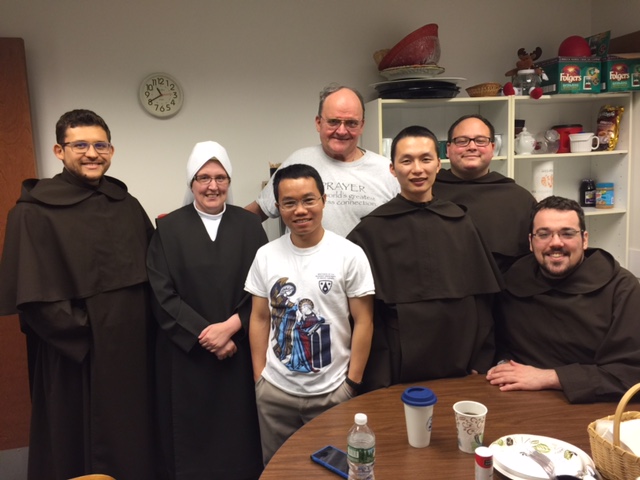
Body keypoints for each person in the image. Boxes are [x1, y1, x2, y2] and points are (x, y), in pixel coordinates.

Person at [0, 109, 157, 479]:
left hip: (133, 351)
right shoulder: (32, 212)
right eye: (80, 145)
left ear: (111, 150)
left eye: (100, 145)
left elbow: (154, 271)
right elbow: (35, 299)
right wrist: (91, 333)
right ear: (59, 150)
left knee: (135, 440)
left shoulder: (127, 204)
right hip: (76, 355)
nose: (92, 153)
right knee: (79, 447)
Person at [347, 126, 503, 392]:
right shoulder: (370, 231)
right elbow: (364, 315)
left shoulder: (462, 222)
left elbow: (484, 300)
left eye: (426, 159)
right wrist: (380, 373)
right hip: (396, 364)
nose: (417, 169)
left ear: (438, 164)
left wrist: (482, 358)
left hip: (460, 360)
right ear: (393, 169)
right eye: (407, 161)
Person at [146, 141, 267, 479]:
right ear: (191, 182)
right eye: (203, 178)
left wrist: (232, 327)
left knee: (239, 436)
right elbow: (161, 294)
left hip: (238, 350)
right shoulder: (167, 228)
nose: (212, 186)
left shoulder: (250, 226)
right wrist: (205, 333)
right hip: (186, 355)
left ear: (229, 181)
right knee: (190, 441)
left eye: (220, 177)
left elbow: (264, 287)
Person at [245, 164, 374, 464]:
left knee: (332, 469)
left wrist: (351, 385)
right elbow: (260, 318)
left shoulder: (349, 254)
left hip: (332, 393)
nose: (300, 210)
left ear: (324, 200)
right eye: (289, 203)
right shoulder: (266, 255)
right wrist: (260, 378)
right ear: (278, 207)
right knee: (278, 469)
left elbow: (364, 321)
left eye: (308, 200)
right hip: (275, 393)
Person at [487, 196, 640, 403]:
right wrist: (502, 363)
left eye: (567, 233)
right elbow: (496, 343)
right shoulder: (512, 282)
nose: (556, 243)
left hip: (596, 405)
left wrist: (550, 378)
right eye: (544, 234)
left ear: (584, 239)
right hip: (518, 397)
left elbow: (631, 373)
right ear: (531, 242)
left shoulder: (622, 289)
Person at [245, 84, 399, 236]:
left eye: (351, 123)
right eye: (333, 122)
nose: (341, 131)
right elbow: (253, 214)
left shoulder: (387, 170)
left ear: (362, 125)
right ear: (318, 123)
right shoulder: (298, 162)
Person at [435, 114, 537, 271]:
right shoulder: (427, 194)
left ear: (492, 148)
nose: (472, 147)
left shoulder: (520, 199)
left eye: (480, 141)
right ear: (448, 149)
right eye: (462, 141)